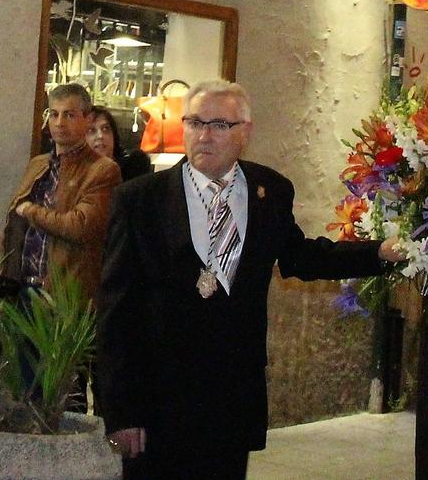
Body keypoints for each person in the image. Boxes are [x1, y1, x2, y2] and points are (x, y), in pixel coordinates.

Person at [96, 80, 398, 479]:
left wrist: (379, 253)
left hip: (231, 398)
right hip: (158, 400)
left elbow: (302, 257)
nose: (204, 135)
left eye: (220, 125)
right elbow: (116, 310)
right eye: (195, 122)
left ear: (245, 133)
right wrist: (120, 411)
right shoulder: (141, 199)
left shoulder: (269, 190)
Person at [4, 83, 119, 303]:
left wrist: (31, 211)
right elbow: (14, 228)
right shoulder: (38, 164)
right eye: (54, 114)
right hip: (21, 287)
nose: (59, 123)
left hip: (64, 296)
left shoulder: (103, 170)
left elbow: (80, 226)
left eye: (69, 115)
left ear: (87, 119)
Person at [86, 106, 152, 182]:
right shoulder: (74, 174)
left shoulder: (133, 169)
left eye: (105, 129)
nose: (100, 136)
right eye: (91, 130)